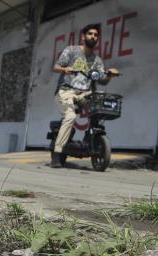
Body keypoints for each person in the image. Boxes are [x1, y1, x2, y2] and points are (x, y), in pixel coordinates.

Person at [51, 23, 119, 168]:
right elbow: (55, 67)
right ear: (83, 36)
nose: (93, 37)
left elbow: (102, 81)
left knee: (100, 101)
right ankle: (57, 155)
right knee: (70, 117)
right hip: (66, 90)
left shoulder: (97, 61)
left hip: (85, 94)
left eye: (95, 35)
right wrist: (65, 69)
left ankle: (92, 140)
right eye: (90, 34)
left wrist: (110, 75)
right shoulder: (71, 50)